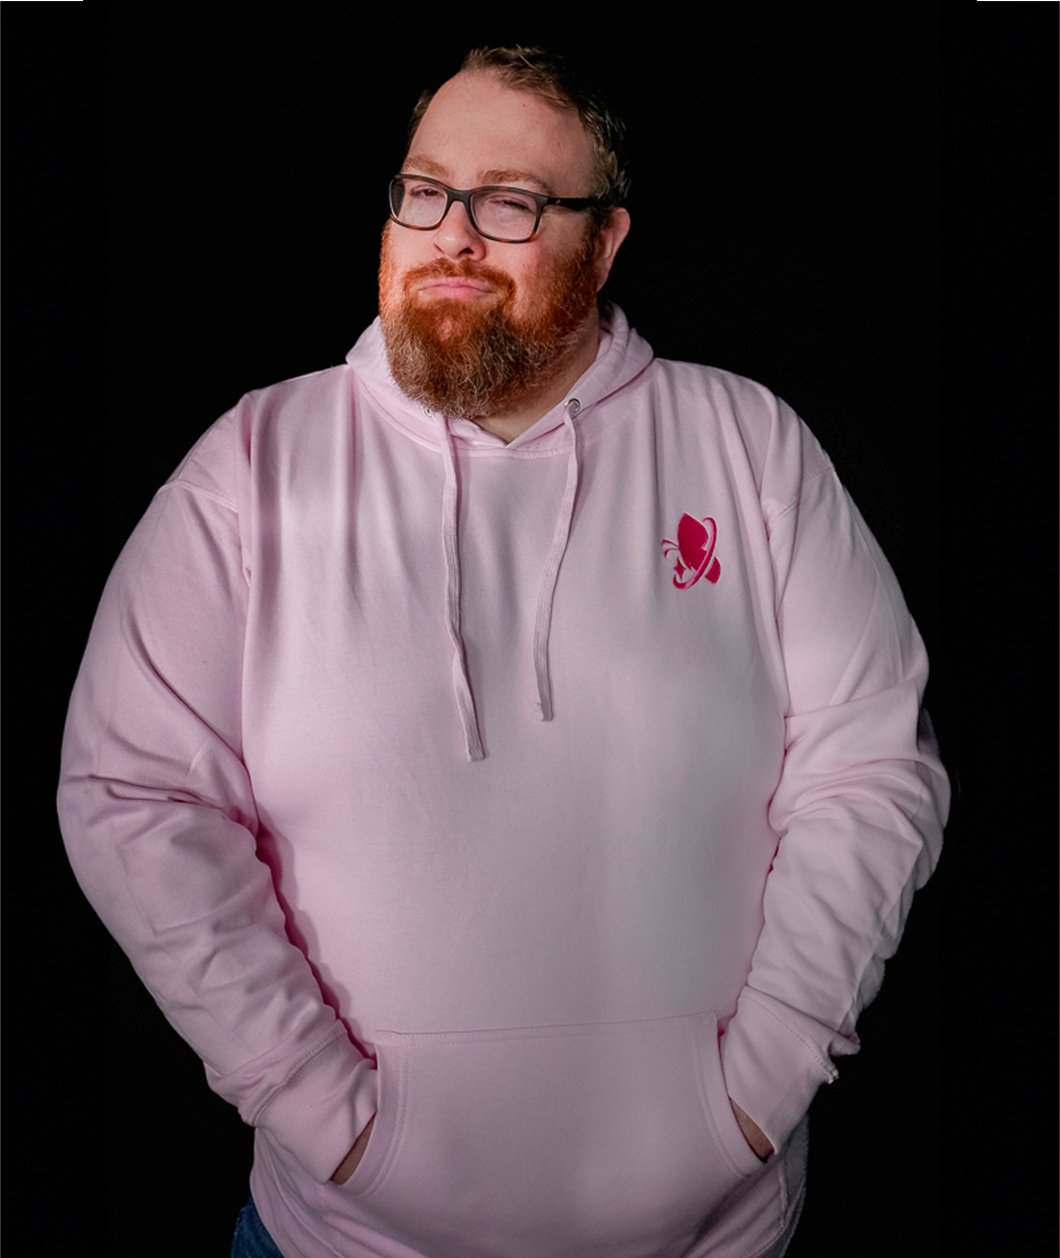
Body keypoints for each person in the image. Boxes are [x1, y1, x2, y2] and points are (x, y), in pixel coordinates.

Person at [59, 45, 948, 1258]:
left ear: (607, 239)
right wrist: (324, 1110)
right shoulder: (252, 469)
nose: (453, 237)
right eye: (424, 191)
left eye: (510, 203)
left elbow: (871, 769)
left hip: (715, 1235)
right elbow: (131, 793)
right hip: (342, 1238)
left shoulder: (751, 449)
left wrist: (757, 1085)